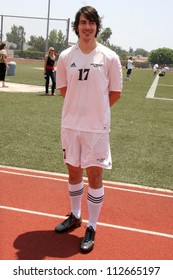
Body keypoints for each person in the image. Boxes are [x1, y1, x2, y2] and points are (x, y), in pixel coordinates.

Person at [55, 6, 122, 252]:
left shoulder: (110, 57)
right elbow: (64, 90)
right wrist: (79, 108)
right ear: (77, 26)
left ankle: (91, 226)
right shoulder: (65, 56)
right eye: (83, 22)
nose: (87, 27)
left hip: (96, 129)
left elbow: (114, 94)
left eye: (92, 23)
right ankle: (75, 215)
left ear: (97, 27)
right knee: (73, 174)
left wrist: (95, 111)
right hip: (71, 125)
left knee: (94, 176)